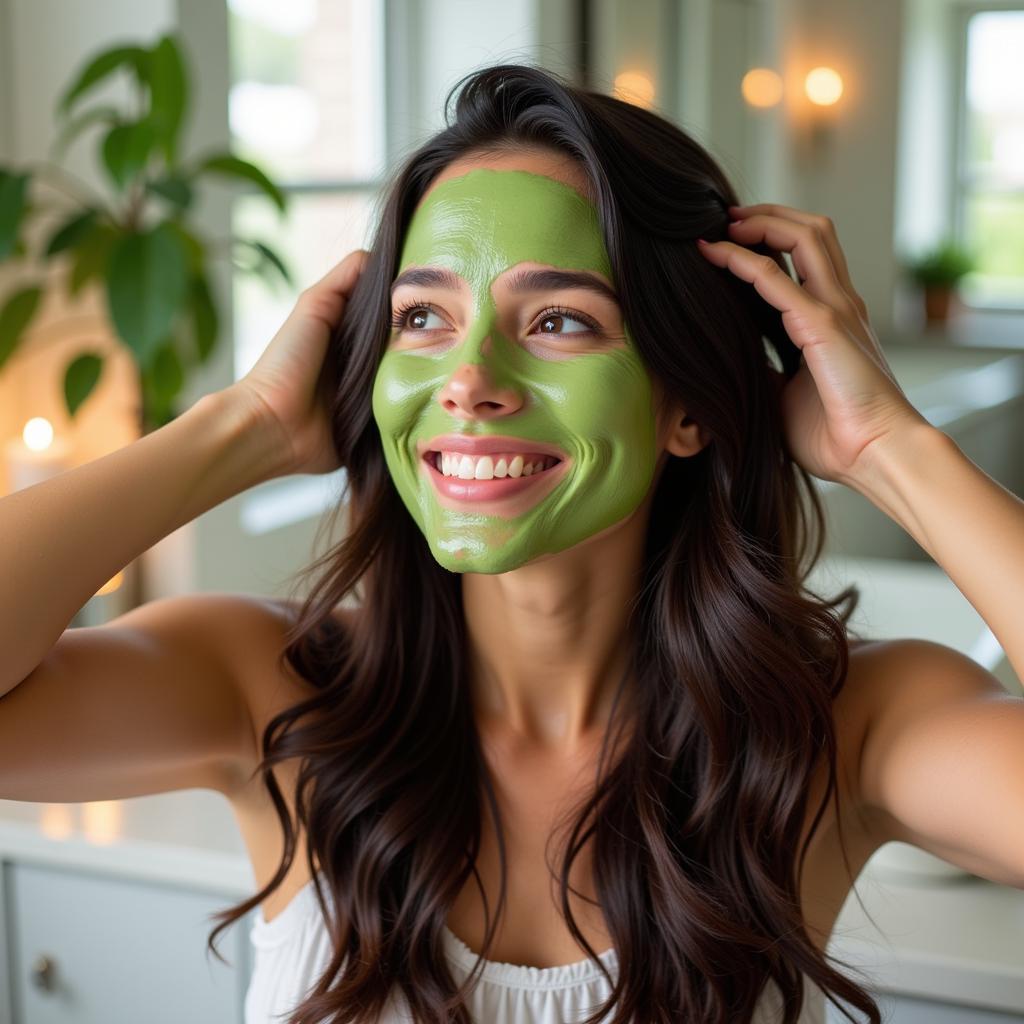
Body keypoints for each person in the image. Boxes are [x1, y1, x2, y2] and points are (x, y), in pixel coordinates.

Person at [2, 62, 1022, 1024]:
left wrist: (890, 448)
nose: (469, 379)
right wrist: (244, 429)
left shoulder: (843, 732)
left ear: (687, 404)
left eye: (560, 322)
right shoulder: (273, 691)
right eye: (421, 316)